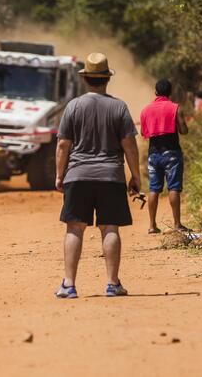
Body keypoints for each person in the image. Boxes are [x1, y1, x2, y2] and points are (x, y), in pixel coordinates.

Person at [55, 52, 141, 299]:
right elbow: (130, 146)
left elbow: (63, 146)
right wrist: (135, 176)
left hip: (77, 175)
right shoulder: (119, 107)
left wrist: (60, 175)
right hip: (111, 176)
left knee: (74, 228)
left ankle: (69, 284)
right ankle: (113, 284)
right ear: (107, 79)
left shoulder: (73, 106)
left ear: (85, 79)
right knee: (110, 227)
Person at [140, 79, 189, 234]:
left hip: (153, 154)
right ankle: (177, 224)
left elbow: (143, 133)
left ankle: (152, 225)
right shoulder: (175, 108)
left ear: (155, 92)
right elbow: (183, 131)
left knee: (154, 189)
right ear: (170, 92)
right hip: (172, 152)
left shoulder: (146, 110)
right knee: (174, 188)